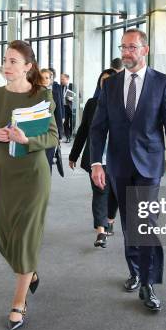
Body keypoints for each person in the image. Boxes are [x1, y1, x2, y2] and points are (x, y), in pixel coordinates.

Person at [90, 28, 166, 312]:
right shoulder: (110, 85)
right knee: (128, 223)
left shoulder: (161, 83)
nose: (126, 52)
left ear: (144, 50)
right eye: (123, 47)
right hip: (119, 164)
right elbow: (98, 127)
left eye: (131, 47)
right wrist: (97, 162)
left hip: (149, 164)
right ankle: (134, 270)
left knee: (145, 221)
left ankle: (148, 282)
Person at [0, 40, 59, 330]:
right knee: (6, 238)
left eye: (13, 61)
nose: (7, 65)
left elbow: (52, 136)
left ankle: (18, 302)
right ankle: (31, 272)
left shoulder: (43, 96)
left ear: (28, 67)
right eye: (6, 59)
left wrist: (28, 141)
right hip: (4, 174)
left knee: (26, 236)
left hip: (33, 176)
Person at [69, 69, 118, 248]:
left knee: (114, 194)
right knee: (100, 192)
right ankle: (101, 232)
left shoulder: (124, 104)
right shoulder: (92, 104)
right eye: (102, 81)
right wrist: (74, 155)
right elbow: (83, 131)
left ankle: (110, 219)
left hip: (118, 159)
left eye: (110, 81)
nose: (105, 84)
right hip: (97, 159)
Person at [41, 68, 64, 173]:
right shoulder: (33, 93)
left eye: (47, 78)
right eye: (41, 77)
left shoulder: (54, 93)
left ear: (50, 80)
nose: (44, 80)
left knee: (48, 161)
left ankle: (45, 186)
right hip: (37, 133)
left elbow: (58, 113)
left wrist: (59, 134)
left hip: (50, 131)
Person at [61, 73, 73, 142]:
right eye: (61, 79)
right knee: (65, 122)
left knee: (71, 122)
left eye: (63, 79)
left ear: (67, 79)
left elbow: (78, 96)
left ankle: (70, 136)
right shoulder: (61, 87)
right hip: (64, 107)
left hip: (70, 107)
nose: (61, 80)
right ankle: (68, 137)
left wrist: (72, 98)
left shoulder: (72, 86)